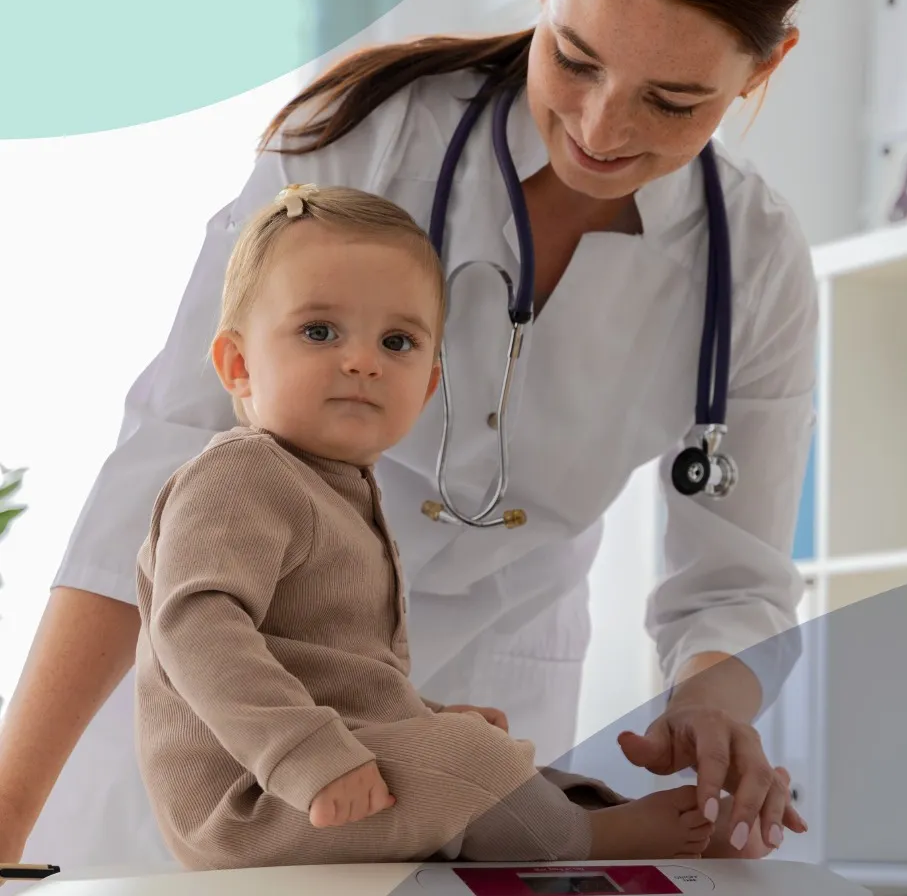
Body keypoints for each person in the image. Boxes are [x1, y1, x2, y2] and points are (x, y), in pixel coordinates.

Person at [0, 0, 816, 877]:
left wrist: (709, 708)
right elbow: (167, 459)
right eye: (574, 58)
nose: (602, 127)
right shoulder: (372, 140)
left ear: (764, 70)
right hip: (242, 684)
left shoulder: (754, 266)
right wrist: (9, 798)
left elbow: (732, 575)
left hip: (488, 684)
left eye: (673, 100)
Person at [133, 182, 796, 869]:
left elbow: (339, 672)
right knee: (471, 759)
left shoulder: (336, 489)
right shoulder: (242, 474)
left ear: (425, 388)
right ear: (238, 367)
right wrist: (307, 755)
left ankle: (613, 817)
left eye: (397, 341)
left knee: (495, 756)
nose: (361, 360)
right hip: (257, 796)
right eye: (319, 331)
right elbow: (195, 625)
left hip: (317, 766)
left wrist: (418, 716)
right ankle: (592, 841)